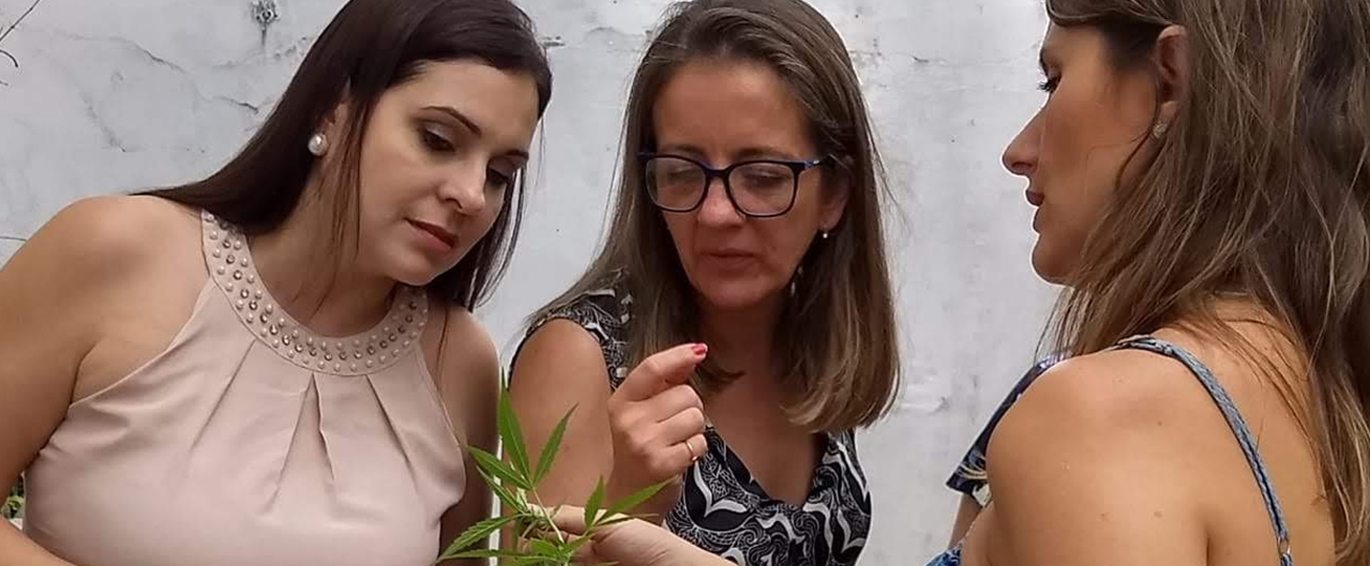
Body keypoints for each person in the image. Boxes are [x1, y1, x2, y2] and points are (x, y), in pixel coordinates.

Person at [542, 0, 1370, 565]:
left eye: (1053, 79)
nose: (1018, 148)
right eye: (681, 170)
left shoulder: (1099, 414)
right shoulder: (1312, 382)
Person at [0, 0, 552, 564]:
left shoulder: (458, 361)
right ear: (330, 110)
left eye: (499, 174)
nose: (471, 194)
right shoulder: (114, 252)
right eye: (437, 139)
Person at [506, 1, 900, 565]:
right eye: (682, 172)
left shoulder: (812, 341)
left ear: (835, 194)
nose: (716, 213)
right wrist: (628, 504)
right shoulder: (581, 355)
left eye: (763, 176)